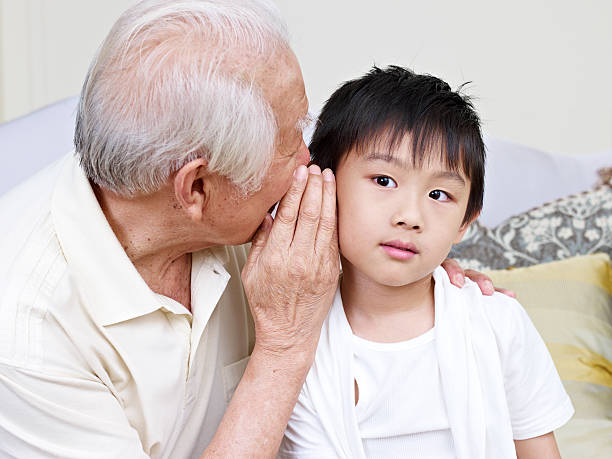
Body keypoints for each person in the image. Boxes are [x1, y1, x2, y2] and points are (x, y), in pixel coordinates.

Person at [0, 2, 507, 458]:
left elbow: (390, 221)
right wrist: (283, 350)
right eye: (289, 142)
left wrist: (418, 274)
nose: (308, 161)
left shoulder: (256, 207)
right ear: (196, 188)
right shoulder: (26, 333)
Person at [279, 66, 574, 459]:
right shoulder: (286, 336)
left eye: (439, 194)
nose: (410, 216)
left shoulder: (496, 324)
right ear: (322, 183)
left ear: (466, 221)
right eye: (383, 180)